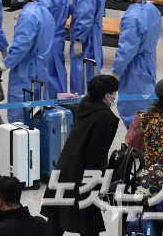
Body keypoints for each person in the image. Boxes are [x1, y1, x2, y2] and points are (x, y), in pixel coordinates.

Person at [40, 75, 120, 236]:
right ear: (106, 96)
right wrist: (97, 184)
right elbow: (95, 155)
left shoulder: (86, 103)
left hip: (65, 167)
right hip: (81, 174)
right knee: (88, 223)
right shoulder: (103, 117)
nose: (116, 95)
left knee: (56, 218)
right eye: (114, 92)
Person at [0, 0, 55, 123]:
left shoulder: (28, 14)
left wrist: (7, 63)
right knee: (37, 111)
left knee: (20, 111)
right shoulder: (44, 10)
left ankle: (18, 144)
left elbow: (22, 45)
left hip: (26, 70)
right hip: (41, 67)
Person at [111, 0, 162, 128]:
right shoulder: (151, 8)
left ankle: (139, 148)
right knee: (148, 103)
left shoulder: (132, 17)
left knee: (134, 110)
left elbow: (127, 48)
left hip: (135, 69)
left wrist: (116, 71)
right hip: (149, 63)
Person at [64, 0, 105, 94]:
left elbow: (86, 13)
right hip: (88, 32)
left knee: (83, 77)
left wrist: (79, 39)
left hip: (86, 35)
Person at [32, 0, 70, 99]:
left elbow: (40, 21)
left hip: (45, 42)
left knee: (45, 78)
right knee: (57, 74)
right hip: (58, 39)